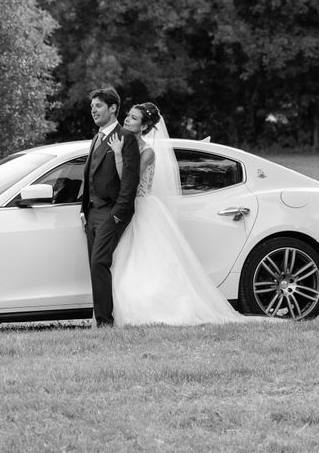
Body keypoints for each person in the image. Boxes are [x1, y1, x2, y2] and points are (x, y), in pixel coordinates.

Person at [107, 102, 250, 325]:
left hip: (142, 210)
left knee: (146, 261)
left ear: (144, 127)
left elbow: (128, 181)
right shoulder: (123, 143)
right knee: (125, 262)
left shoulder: (147, 152)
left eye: (134, 118)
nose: (127, 119)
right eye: (128, 115)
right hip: (126, 208)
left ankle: (154, 309)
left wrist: (117, 154)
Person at [80, 86, 140, 327]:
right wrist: (83, 209)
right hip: (92, 213)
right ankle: (99, 319)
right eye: (92, 106)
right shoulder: (96, 137)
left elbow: (129, 182)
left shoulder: (126, 138)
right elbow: (89, 175)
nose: (93, 110)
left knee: (99, 262)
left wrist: (117, 216)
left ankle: (105, 321)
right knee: (94, 265)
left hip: (111, 212)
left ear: (113, 108)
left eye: (98, 106)